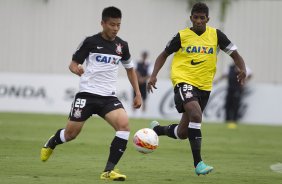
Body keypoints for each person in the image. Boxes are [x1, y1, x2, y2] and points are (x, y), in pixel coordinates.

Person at [40, 6, 142, 181]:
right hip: (87, 95)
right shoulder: (90, 42)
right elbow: (72, 64)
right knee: (70, 134)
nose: (115, 28)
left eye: (118, 25)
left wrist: (138, 93)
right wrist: (76, 69)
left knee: (124, 126)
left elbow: (130, 70)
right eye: (112, 24)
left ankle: (109, 171)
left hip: (108, 97)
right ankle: (53, 141)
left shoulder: (122, 46)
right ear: (103, 23)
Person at [147, 2, 247, 176]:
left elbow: (235, 54)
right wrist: (153, 75)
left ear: (208, 19)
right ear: (191, 18)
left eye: (202, 18)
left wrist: (242, 69)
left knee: (183, 132)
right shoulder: (182, 36)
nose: (199, 21)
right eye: (196, 17)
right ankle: (198, 164)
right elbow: (163, 54)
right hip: (183, 80)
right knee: (196, 114)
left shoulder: (216, 35)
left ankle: (157, 130)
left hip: (205, 86)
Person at [217, 64, 252, 129]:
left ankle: (234, 120)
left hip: (238, 89)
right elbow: (224, 75)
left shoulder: (243, 67)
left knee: (235, 105)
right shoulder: (230, 68)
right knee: (227, 105)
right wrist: (218, 80)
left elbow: (250, 74)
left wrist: (245, 81)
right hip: (230, 89)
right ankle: (227, 120)